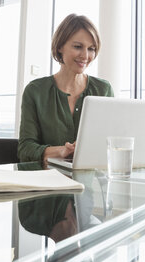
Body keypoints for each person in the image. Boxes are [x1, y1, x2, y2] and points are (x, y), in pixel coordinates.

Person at [18, 14, 114, 163]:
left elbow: (110, 141)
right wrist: (60, 150)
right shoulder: (35, 91)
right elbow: (25, 149)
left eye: (91, 49)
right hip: (48, 180)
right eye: (78, 47)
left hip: (92, 180)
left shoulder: (103, 89)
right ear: (60, 46)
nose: (85, 55)